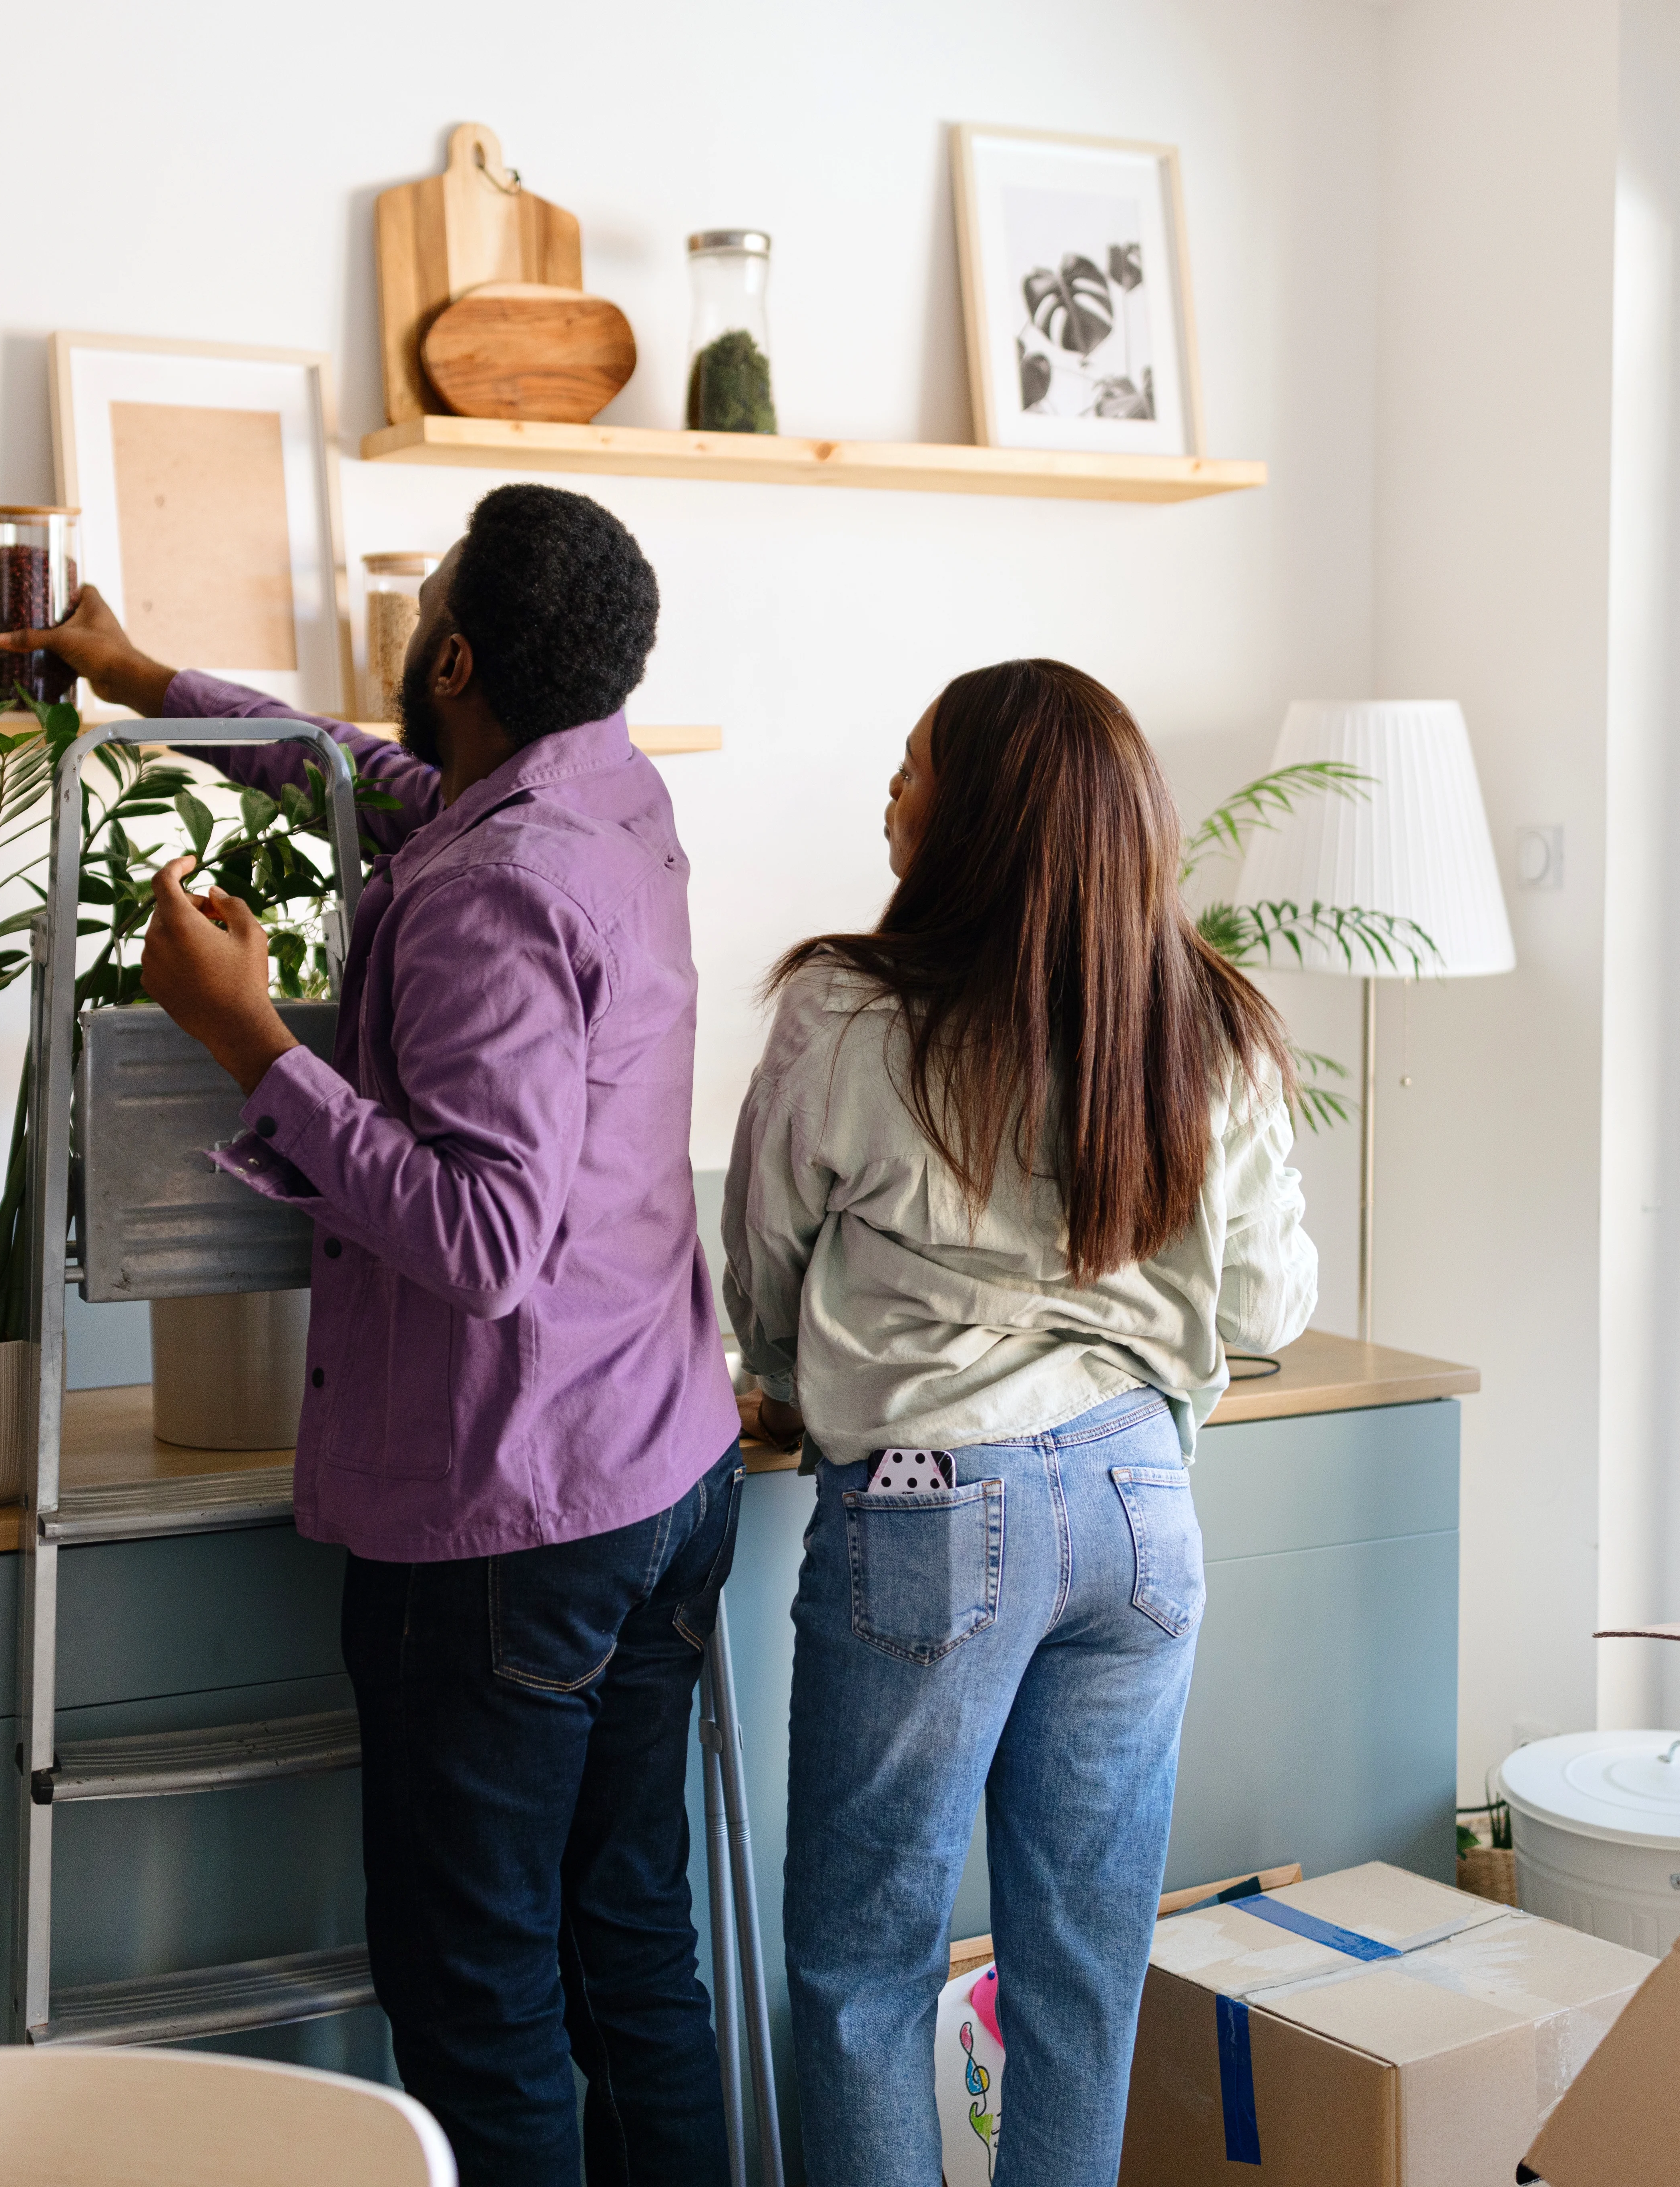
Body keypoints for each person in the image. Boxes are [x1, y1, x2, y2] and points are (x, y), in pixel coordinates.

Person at [4, 485, 740, 2187]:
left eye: (431, 611)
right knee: (630, 1950)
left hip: (511, 1523)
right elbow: (357, 768)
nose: (412, 641)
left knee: (479, 1998)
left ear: (458, 659)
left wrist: (245, 1039)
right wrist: (146, 680)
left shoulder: (493, 888)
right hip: (661, 1472)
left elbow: (483, 1240)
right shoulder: (606, 800)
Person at [721, 658, 1316, 2187]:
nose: (891, 791)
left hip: (927, 1505)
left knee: (866, 1968)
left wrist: (792, 1377)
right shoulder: (1210, 1021)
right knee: (1082, 1973)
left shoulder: (850, 1012)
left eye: (914, 768)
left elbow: (763, 1265)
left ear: (979, 818)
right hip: (1137, 1505)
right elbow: (1267, 1304)